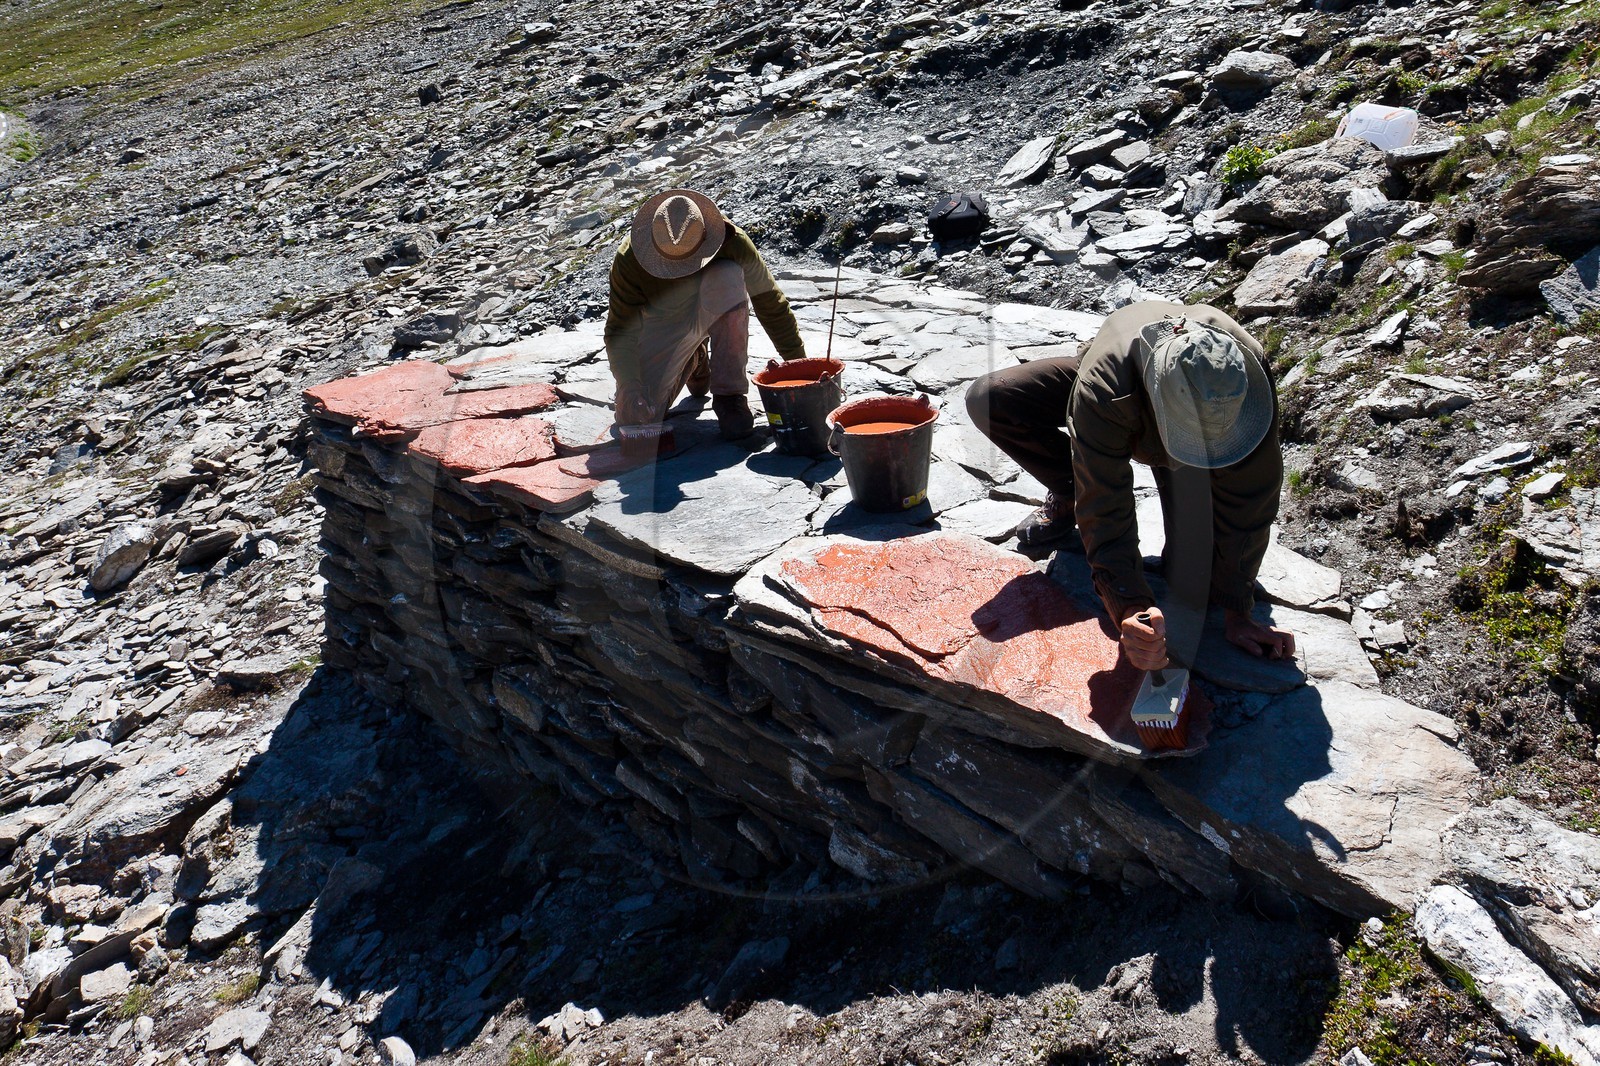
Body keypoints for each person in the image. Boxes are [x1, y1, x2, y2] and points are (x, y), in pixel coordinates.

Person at [965, 301, 1295, 671]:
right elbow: (1105, 504)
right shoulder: (1104, 391)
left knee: (1194, 581)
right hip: (1127, 374)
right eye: (1187, 441)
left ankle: (1197, 466)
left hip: (1186, 395)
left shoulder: (1242, 377)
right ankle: (1066, 489)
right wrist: (1129, 605)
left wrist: (1238, 610)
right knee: (992, 398)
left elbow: (1252, 499)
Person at [604, 188, 806, 447]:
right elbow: (621, 330)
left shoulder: (731, 242)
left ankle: (729, 398)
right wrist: (630, 388)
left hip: (714, 309)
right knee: (638, 419)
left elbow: (770, 302)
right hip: (663, 330)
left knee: (728, 275)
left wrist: (799, 365)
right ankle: (697, 358)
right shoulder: (630, 258)